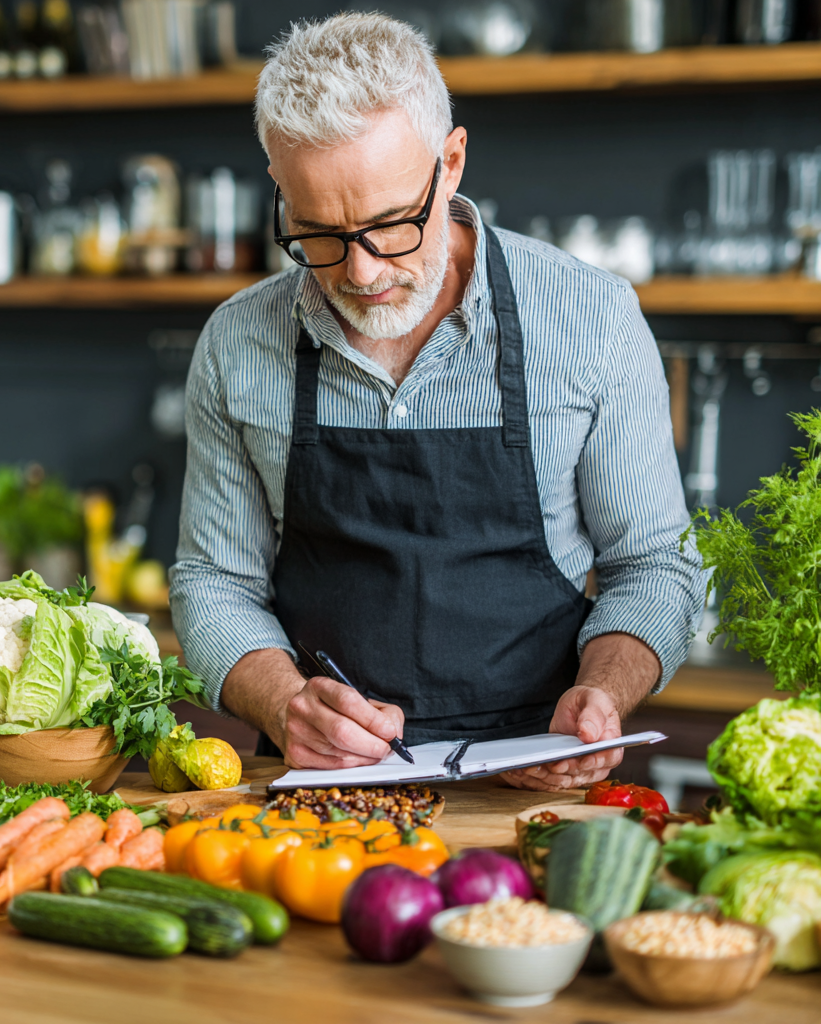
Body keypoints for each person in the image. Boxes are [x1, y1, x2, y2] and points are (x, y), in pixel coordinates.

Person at [169, 13, 705, 791]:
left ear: (450, 163)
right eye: (318, 233)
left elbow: (655, 565)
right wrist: (285, 706)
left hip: (534, 784)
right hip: (319, 799)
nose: (359, 272)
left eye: (390, 225)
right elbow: (214, 582)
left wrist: (605, 693)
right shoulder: (238, 341)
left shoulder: (590, 318)